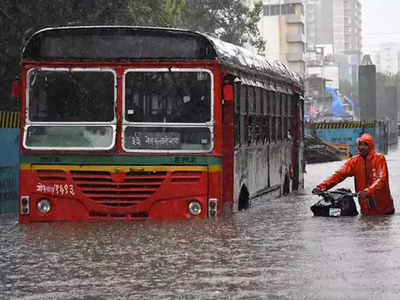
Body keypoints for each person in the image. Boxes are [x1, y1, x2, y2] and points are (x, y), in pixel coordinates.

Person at [312, 133, 395, 215]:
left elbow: (381, 179)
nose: (362, 147)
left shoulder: (379, 158)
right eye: (360, 144)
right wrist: (322, 187)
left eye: (365, 145)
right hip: (365, 212)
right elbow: (339, 174)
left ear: (370, 146)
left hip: (385, 210)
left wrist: (368, 191)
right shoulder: (354, 161)